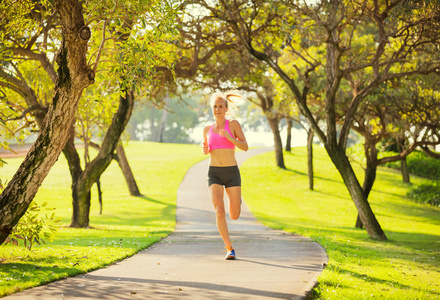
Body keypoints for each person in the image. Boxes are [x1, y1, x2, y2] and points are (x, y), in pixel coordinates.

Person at [202, 91, 248, 260]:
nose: (218, 109)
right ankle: (229, 248)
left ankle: (236, 200)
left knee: (234, 214)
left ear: (226, 109)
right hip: (214, 173)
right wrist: (205, 150)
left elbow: (245, 146)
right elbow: (207, 148)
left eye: (221, 106)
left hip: (231, 173)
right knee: (219, 211)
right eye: (215, 106)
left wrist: (230, 137)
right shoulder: (207, 129)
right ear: (212, 109)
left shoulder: (233, 124)